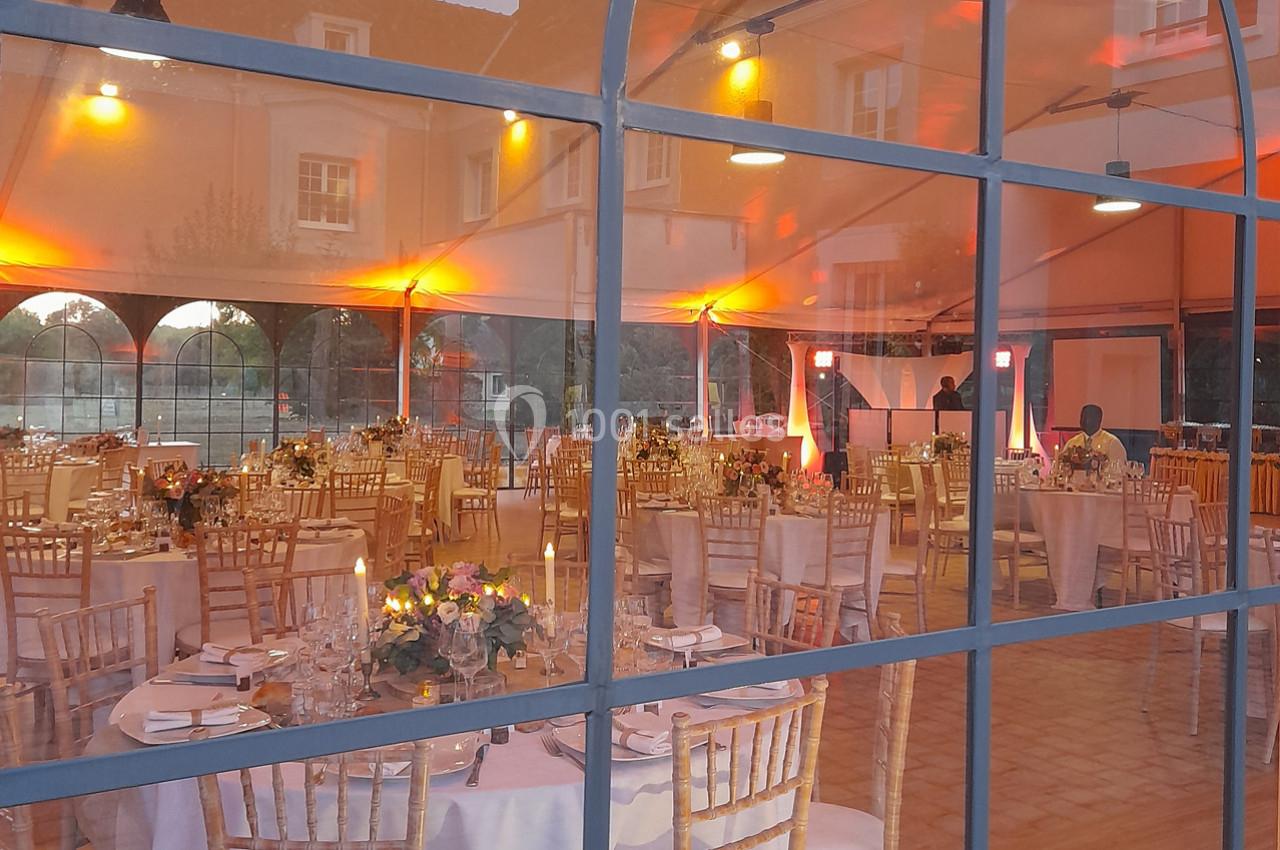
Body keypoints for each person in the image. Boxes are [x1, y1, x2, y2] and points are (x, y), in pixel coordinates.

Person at [1061, 404, 1127, 466]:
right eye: (1083, 417)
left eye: (1089, 417)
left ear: (1099, 420)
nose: (1085, 421)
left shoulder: (1112, 443)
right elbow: (1061, 466)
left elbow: (1119, 471)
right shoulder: (1072, 442)